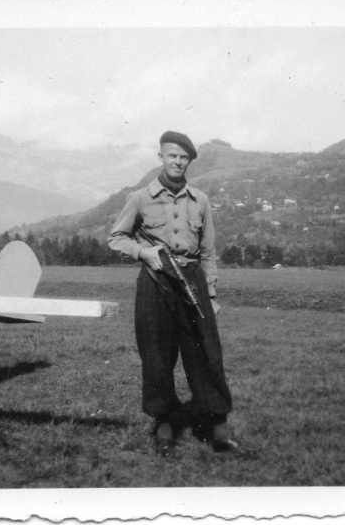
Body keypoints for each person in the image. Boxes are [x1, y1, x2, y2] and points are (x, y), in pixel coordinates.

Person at [108, 130, 236, 454]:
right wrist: (143, 253)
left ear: (189, 161)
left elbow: (208, 253)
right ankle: (163, 424)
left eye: (183, 157)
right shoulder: (139, 197)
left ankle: (219, 428)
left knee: (207, 355)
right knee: (156, 356)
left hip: (192, 280)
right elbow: (116, 238)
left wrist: (213, 296)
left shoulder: (201, 201)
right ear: (161, 157)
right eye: (171, 156)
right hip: (155, 282)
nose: (177, 161)